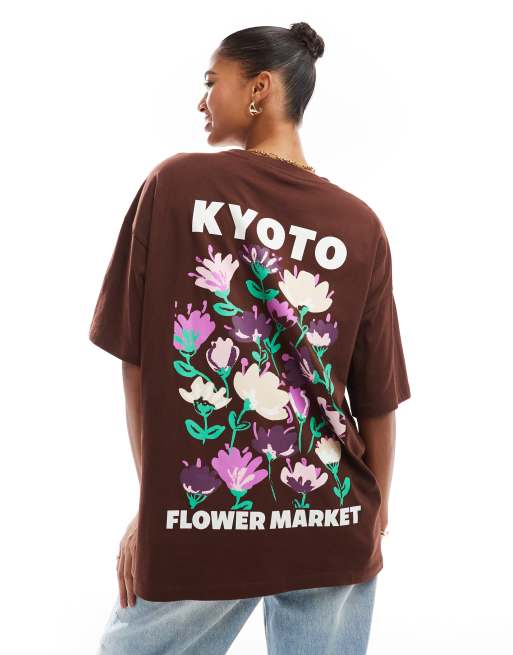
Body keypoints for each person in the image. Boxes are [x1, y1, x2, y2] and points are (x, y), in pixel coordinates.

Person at [90, 21, 411, 655]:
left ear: (259, 88)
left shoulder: (176, 185)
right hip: (330, 511)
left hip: (206, 515)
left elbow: (138, 360)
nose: (202, 100)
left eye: (213, 82)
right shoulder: (359, 224)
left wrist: (159, 505)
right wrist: (376, 514)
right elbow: (377, 398)